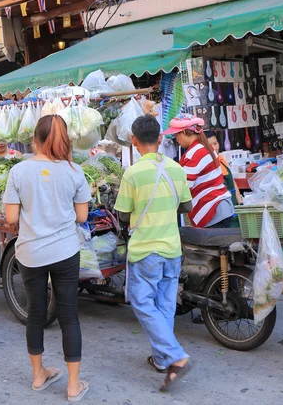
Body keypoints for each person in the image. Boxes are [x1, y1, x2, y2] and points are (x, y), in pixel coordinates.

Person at [3, 115, 91, 402]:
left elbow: (11, 217)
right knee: (69, 317)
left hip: (30, 252)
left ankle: (39, 375)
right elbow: (81, 216)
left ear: (35, 140)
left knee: (36, 313)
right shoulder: (75, 171)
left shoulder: (18, 171)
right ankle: (73, 386)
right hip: (65, 251)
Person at [114, 115, 193, 392]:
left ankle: (175, 356)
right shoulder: (177, 169)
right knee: (165, 305)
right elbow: (186, 207)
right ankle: (162, 359)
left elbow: (123, 215)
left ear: (133, 141)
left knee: (141, 302)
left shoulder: (133, 173)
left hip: (146, 249)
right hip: (172, 248)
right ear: (160, 139)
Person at [164, 114, 233, 228]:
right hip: (221, 207)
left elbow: (184, 188)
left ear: (184, 133)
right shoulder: (205, 148)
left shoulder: (194, 154)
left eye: (176, 135)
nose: (176, 139)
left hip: (212, 209)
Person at [205, 132, 242, 205]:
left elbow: (232, 181)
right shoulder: (206, 165)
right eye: (209, 145)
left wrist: (240, 202)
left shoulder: (221, 159)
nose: (214, 148)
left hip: (233, 203)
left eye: (215, 143)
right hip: (222, 207)